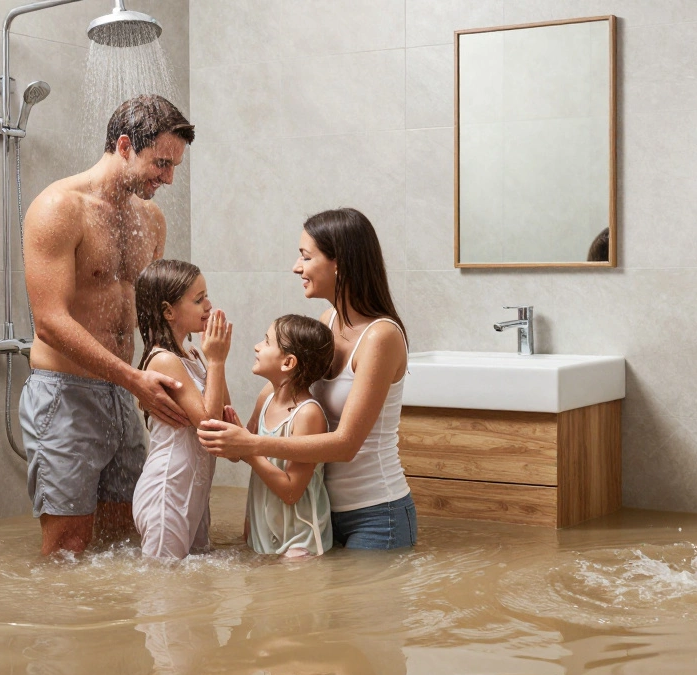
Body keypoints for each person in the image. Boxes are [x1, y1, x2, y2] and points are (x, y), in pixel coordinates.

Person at [21, 94, 196, 555]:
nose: (168, 178)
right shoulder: (60, 208)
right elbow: (50, 323)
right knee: (69, 547)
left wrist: (193, 370)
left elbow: (156, 314)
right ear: (123, 146)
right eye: (161, 163)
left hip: (124, 393)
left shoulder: (150, 220)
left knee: (126, 538)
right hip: (66, 394)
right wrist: (134, 379)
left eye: (174, 166)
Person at [199, 208, 417, 550]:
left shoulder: (381, 337)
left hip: (377, 516)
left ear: (339, 263)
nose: (296, 267)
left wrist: (251, 444)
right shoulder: (328, 320)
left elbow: (345, 445)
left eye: (306, 257)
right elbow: (288, 397)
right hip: (320, 511)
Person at [131, 259, 231, 559]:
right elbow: (210, 425)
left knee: (194, 589)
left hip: (193, 491)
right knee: (163, 588)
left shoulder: (193, 355)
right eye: (198, 300)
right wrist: (217, 361)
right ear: (168, 311)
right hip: (167, 492)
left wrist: (213, 360)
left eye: (206, 296)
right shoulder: (164, 360)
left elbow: (225, 414)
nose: (208, 305)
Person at [241, 315, 335, 558]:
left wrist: (246, 450)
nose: (257, 347)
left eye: (266, 341)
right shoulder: (266, 398)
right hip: (264, 533)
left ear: (288, 362)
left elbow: (291, 492)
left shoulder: (308, 415)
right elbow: (239, 449)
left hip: (300, 541)